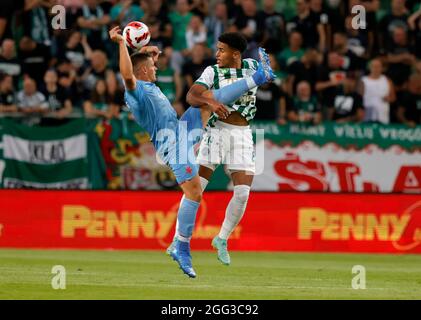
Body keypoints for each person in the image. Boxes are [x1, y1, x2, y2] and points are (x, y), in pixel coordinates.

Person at [108, 26, 274, 277]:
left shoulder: (146, 82)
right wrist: (122, 43)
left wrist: (146, 52)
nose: (156, 68)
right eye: (152, 67)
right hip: (172, 145)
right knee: (195, 193)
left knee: (209, 99)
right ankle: (181, 246)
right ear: (142, 72)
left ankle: (257, 78)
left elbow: (139, 66)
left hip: (181, 130)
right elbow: (128, 74)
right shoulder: (136, 90)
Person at [168, 32, 275, 266]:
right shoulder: (212, 71)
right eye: (216, 49)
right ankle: (178, 240)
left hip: (243, 134)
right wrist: (211, 102)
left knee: (243, 193)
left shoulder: (252, 66)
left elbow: (266, 75)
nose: (216, 54)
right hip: (215, 132)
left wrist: (268, 73)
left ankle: (222, 239)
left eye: (221, 50)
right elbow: (192, 96)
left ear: (235, 54)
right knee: (196, 189)